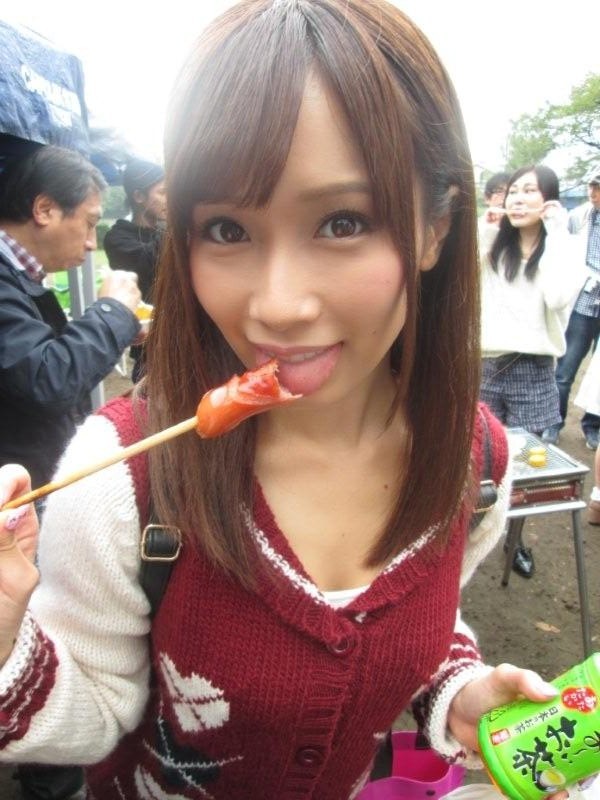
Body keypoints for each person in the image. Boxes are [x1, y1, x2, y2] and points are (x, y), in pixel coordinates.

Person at [0, 3, 565, 799]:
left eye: (342, 221)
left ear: (437, 227)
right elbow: (98, 710)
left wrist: (455, 689)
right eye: (227, 230)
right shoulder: (120, 474)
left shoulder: (476, 464)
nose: (276, 305)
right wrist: (6, 648)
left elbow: (422, 632)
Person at [479, 164, 585, 577]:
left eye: (529, 191)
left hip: (532, 369)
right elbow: (459, 280)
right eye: (513, 191)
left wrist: (556, 233)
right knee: (480, 459)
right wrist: (486, 230)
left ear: (549, 201)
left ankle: (514, 540)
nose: (518, 199)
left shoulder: (561, 248)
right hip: (486, 366)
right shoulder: (491, 242)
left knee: (526, 467)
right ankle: (473, 534)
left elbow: (558, 297)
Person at [543, 168, 600, 449]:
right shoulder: (579, 217)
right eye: (591, 186)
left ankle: (593, 427)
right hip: (583, 302)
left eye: (598, 188)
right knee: (565, 369)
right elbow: (561, 249)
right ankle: (554, 422)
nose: (593, 193)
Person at [104, 158, 166, 381]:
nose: (170, 201)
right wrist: (178, 224)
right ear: (139, 197)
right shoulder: (117, 238)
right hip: (151, 351)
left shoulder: (164, 234)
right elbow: (149, 263)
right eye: (163, 193)